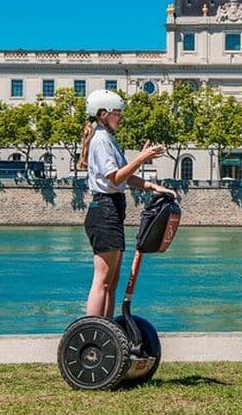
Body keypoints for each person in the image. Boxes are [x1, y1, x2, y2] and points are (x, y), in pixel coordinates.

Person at [79, 89, 175, 318]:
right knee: (102, 280)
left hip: (112, 208)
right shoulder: (101, 140)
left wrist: (153, 186)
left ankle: (108, 329)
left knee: (112, 281)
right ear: (103, 114)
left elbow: (126, 176)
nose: (121, 118)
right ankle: (94, 328)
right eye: (117, 113)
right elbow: (115, 177)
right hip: (104, 209)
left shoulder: (108, 138)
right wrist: (141, 158)